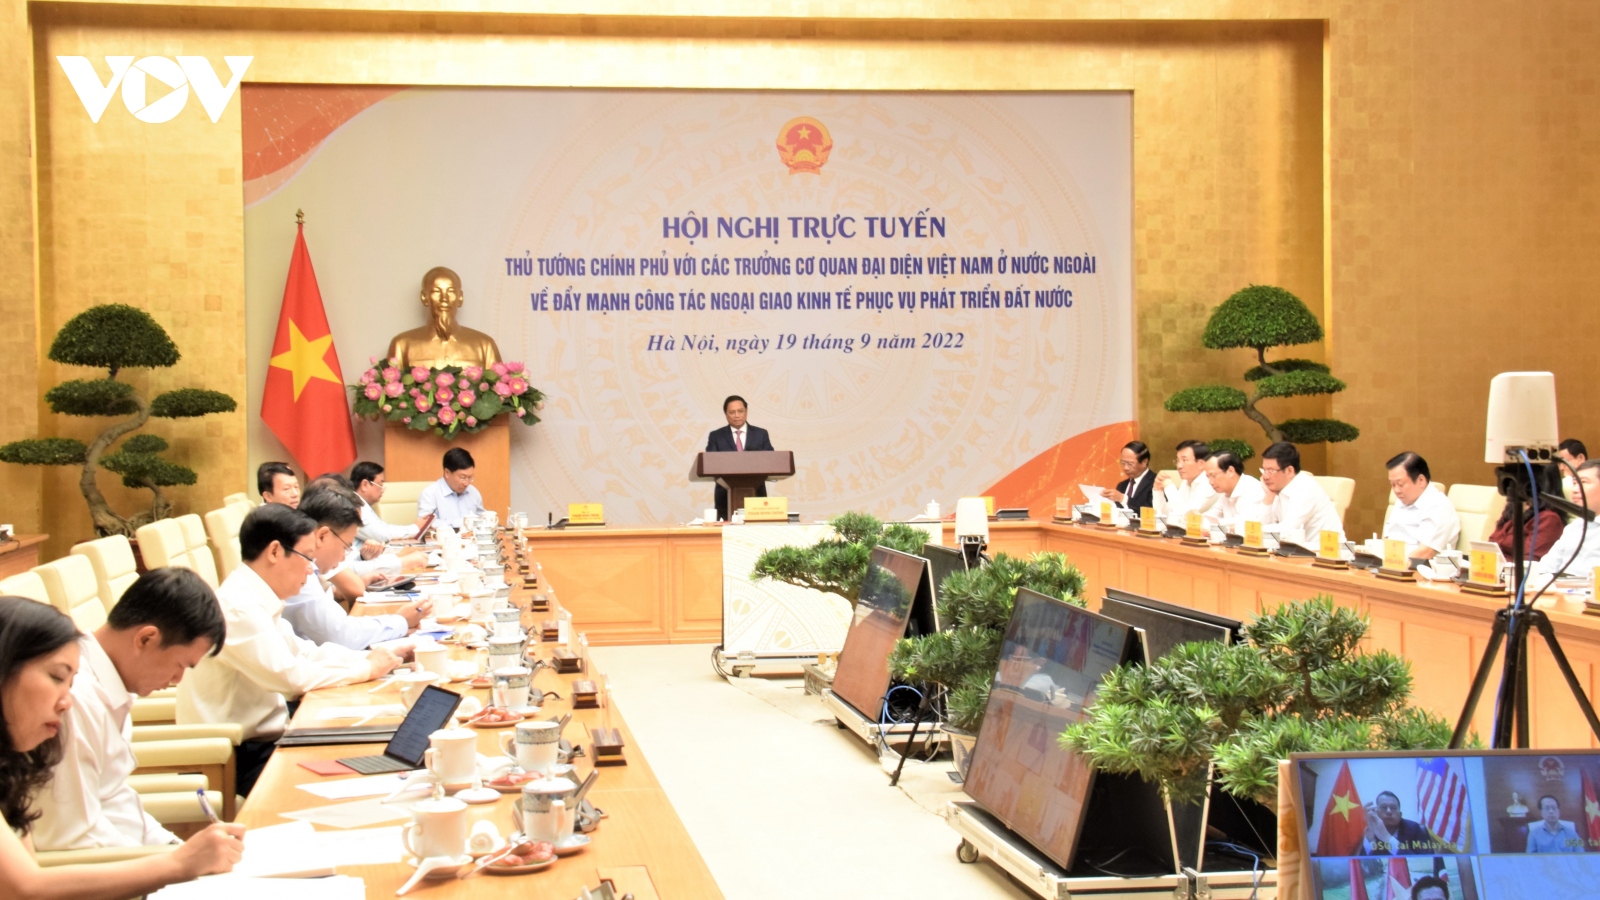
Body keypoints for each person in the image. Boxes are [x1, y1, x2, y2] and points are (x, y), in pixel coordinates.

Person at [0, 596, 243, 898]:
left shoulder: (12, 767)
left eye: (70, 684)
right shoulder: (84, 705)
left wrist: (176, 855)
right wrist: (178, 863)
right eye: (56, 677)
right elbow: (24, 889)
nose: (66, 702)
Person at [176, 504, 401, 795]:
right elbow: (291, 679)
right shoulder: (238, 608)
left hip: (265, 738)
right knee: (360, 778)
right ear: (274, 551)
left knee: (376, 752)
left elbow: (304, 652)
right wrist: (367, 668)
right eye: (307, 557)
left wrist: (375, 657)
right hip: (233, 757)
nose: (311, 568)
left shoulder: (255, 596)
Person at [33, 568, 226, 852]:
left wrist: (172, 847)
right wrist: (171, 863)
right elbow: (71, 839)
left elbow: (115, 799)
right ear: (146, 639)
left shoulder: (111, 686)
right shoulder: (74, 700)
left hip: (120, 859)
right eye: (181, 665)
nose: (178, 680)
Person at [280, 486, 427, 651]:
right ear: (322, 536)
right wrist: (401, 621)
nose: (343, 558)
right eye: (345, 547)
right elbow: (341, 637)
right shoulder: (296, 570)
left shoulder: (304, 564)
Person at [1258, 441, 1344, 544]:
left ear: (1289, 471)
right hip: (1297, 550)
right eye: (1264, 470)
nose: (1265, 476)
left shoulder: (1305, 488)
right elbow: (1262, 524)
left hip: (1327, 551)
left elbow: (1288, 530)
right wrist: (1269, 496)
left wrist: (1253, 530)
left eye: (1271, 471)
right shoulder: (1278, 489)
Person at [705, 395, 774, 521]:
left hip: (756, 493)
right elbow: (711, 463)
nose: (737, 415)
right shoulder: (716, 436)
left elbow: (771, 459)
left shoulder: (761, 434)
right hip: (725, 495)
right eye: (732, 412)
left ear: (746, 411)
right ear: (726, 414)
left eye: (740, 411)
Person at [1381, 452, 1460, 560]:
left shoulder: (1438, 506)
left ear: (1421, 481)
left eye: (1400, 484)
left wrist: (1394, 564)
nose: (1396, 490)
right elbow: (1387, 539)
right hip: (1393, 563)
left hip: (1419, 567)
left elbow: (1425, 553)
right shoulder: (1401, 501)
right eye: (1392, 485)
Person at [1534, 461, 1600, 577]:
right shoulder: (1574, 527)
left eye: (1583, 482)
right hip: (1561, 586)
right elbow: (1546, 567)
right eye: (1574, 483)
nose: (1575, 490)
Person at [1490, 461, 1565, 561]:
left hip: (1515, 569)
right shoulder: (1513, 507)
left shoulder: (1549, 519)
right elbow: (1491, 543)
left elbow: (1529, 561)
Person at [416, 447, 485, 531]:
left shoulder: (473, 492)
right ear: (447, 473)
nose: (467, 483)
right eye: (462, 477)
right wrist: (461, 522)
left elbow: (481, 518)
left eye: (470, 477)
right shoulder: (429, 494)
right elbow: (424, 524)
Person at [350, 461, 418, 543]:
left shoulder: (360, 503)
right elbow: (382, 535)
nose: (383, 490)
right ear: (365, 485)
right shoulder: (354, 505)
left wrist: (414, 528)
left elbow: (384, 528)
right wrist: (416, 528)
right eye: (380, 485)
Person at [1204, 451, 1268, 533]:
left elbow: (1245, 524)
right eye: (1208, 477)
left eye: (1213, 476)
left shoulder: (1251, 488)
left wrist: (1218, 524)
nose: (1210, 482)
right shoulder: (1226, 493)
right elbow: (1209, 517)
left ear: (1230, 471)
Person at [1154, 440, 1217, 521]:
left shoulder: (1210, 482)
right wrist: (1158, 491)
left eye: (1184, 460)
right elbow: (1165, 514)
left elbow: (1186, 515)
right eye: (1178, 460)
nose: (1179, 466)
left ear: (1201, 464)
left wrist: (1169, 486)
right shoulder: (1186, 481)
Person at [1361, 790, 1436, 854]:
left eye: (1393, 808)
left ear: (1400, 815)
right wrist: (1369, 840)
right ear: (1376, 812)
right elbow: (1360, 863)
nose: (1389, 811)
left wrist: (1387, 838)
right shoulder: (1369, 829)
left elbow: (1424, 860)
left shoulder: (1414, 828)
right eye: (1384, 807)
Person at [1106, 440, 1155, 512]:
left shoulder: (1156, 483)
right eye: (1123, 463)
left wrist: (1123, 498)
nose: (1125, 468)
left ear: (1144, 462)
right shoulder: (1122, 485)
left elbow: (1152, 510)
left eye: (1130, 464)